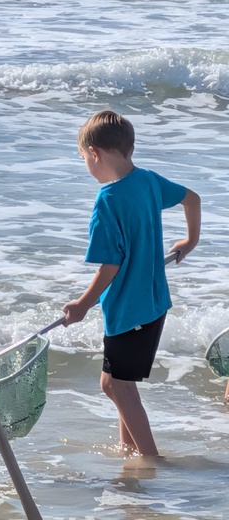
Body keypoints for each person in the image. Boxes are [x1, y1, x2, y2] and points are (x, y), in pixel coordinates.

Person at [63, 110, 201, 457]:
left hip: (129, 310)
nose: (86, 166)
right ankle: (129, 450)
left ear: (93, 153)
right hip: (153, 304)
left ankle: (151, 458)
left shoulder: (107, 202)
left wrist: (82, 304)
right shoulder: (149, 181)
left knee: (117, 386)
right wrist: (191, 240)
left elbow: (110, 266)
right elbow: (192, 199)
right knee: (115, 383)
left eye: (83, 159)